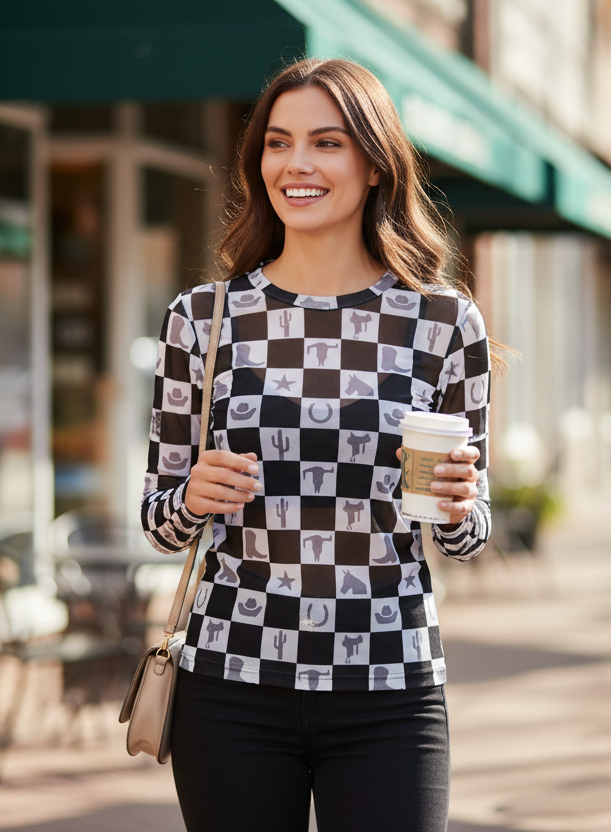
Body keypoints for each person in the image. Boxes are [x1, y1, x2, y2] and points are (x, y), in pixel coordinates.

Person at [142, 57, 497, 832]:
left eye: (326, 143)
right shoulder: (203, 320)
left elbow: (467, 538)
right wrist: (191, 497)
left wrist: (458, 506)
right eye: (277, 143)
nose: (296, 164)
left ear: (374, 165)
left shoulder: (443, 324)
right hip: (230, 683)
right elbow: (159, 518)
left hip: (389, 684)